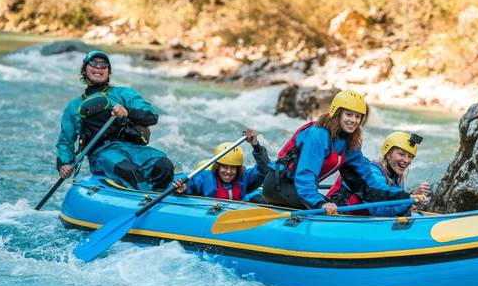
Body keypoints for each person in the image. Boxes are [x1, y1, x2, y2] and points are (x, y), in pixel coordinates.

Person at [262, 90, 424, 215]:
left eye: (358, 116)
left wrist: (403, 197)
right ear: (336, 113)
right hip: (279, 186)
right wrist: (319, 203)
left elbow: (368, 184)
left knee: (334, 208)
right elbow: (305, 175)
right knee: (328, 211)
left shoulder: (350, 145)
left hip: (299, 190)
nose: (353, 120)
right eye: (348, 114)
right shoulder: (319, 134)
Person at [55, 50, 174, 191]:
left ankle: (158, 201)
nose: (98, 67)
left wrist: (127, 112)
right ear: (84, 70)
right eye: (93, 63)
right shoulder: (75, 106)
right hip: (102, 153)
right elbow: (65, 141)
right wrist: (65, 163)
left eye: (103, 64)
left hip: (133, 148)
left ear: (108, 71)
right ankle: (143, 197)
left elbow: (152, 116)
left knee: (164, 166)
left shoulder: (124, 94)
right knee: (128, 171)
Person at [327, 131, 430, 216]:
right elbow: (379, 210)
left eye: (410, 156)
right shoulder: (373, 172)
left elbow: (395, 205)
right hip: (338, 213)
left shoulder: (397, 176)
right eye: (401, 154)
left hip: (360, 218)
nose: (406, 160)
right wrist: (410, 199)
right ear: (388, 153)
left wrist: (415, 201)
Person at [172, 129, 270, 201]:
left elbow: (266, 169)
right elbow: (181, 186)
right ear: (217, 167)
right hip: (209, 215)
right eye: (225, 167)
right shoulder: (204, 177)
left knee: (259, 200)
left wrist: (256, 146)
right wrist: (182, 189)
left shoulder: (243, 177)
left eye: (233, 168)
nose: (228, 172)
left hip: (235, 215)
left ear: (238, 169)